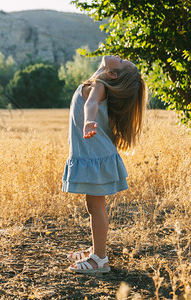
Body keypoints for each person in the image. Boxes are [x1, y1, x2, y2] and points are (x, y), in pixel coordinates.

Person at [62, 55, 147, 274]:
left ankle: (100, 259)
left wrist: (89, 120)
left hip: (96, 156)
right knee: (93, 206)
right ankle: (95, 249)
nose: (120, 57)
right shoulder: (99, 85)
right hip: (93, 154)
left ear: (112, 74)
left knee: (96, 207)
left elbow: (90, 104)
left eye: (122, 62)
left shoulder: (99, 86)